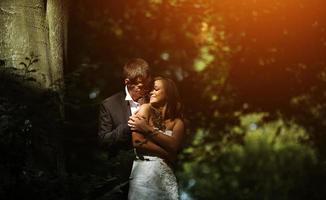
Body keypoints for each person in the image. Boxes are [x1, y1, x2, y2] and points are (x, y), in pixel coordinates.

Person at [98, 58, 169, 199]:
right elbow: (104, 141)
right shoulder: (109, 105)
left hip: (152, 172)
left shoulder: (153, 100)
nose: (144, 90)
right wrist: (128, 126)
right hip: (121, 176)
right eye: (140, 86)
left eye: (146, 86)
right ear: (127, 82)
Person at [127, 76, 185, 200]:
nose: (151, 92)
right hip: (143, 174)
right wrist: (169, 154)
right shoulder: (145, 109)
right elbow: (137, 142)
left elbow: (174, 145)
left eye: (156, 89)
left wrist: (147, 129)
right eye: (151, 90)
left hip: (166, 179)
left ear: (168, 94)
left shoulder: (177, 122)